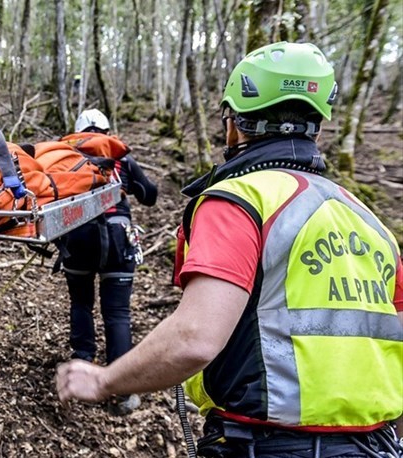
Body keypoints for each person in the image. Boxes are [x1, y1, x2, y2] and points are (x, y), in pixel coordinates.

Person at [56, 42, 403, 457]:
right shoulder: (367, 218)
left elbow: (195, 338)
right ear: (319, 128)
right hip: (377, 445)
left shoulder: (238, 201)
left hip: (266, 444)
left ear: (234, 125)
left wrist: (104, 381)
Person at [58, 108, 157, 415]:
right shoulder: (121, 159)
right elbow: (150, 195)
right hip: (118, 237)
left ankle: (82, 364)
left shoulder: (65, 159)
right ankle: (122, 389)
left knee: (81, 303)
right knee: (117, 312)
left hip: (78, 236)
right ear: (106, 130)